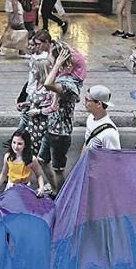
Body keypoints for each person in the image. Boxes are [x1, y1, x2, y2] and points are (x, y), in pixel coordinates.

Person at [39, 43, 83, 193]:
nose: (48, 57)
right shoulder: (61, 77)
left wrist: (57, 64)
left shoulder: (68, 84)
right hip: (50, 128)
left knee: (58, 169)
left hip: (60, 134)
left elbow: (47, 84)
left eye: (51, 54)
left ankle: (60, 195)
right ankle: (54, 188)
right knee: (42, 161)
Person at [0, 129, 48, 200]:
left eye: (19, 144)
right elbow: (3, 174)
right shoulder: (8, 157)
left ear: (25, 144)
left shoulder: (32, 159)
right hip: (10, 189)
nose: (16, 146)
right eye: (14, 142)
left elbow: (39, 175)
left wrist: (41, 188)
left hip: (25, 190)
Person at [83, 85, 120, 151]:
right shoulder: (90, 118)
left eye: (87, 100)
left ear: (99, 104)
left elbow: (114, 158)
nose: (84, 103)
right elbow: (86, 144)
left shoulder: (109, 133)